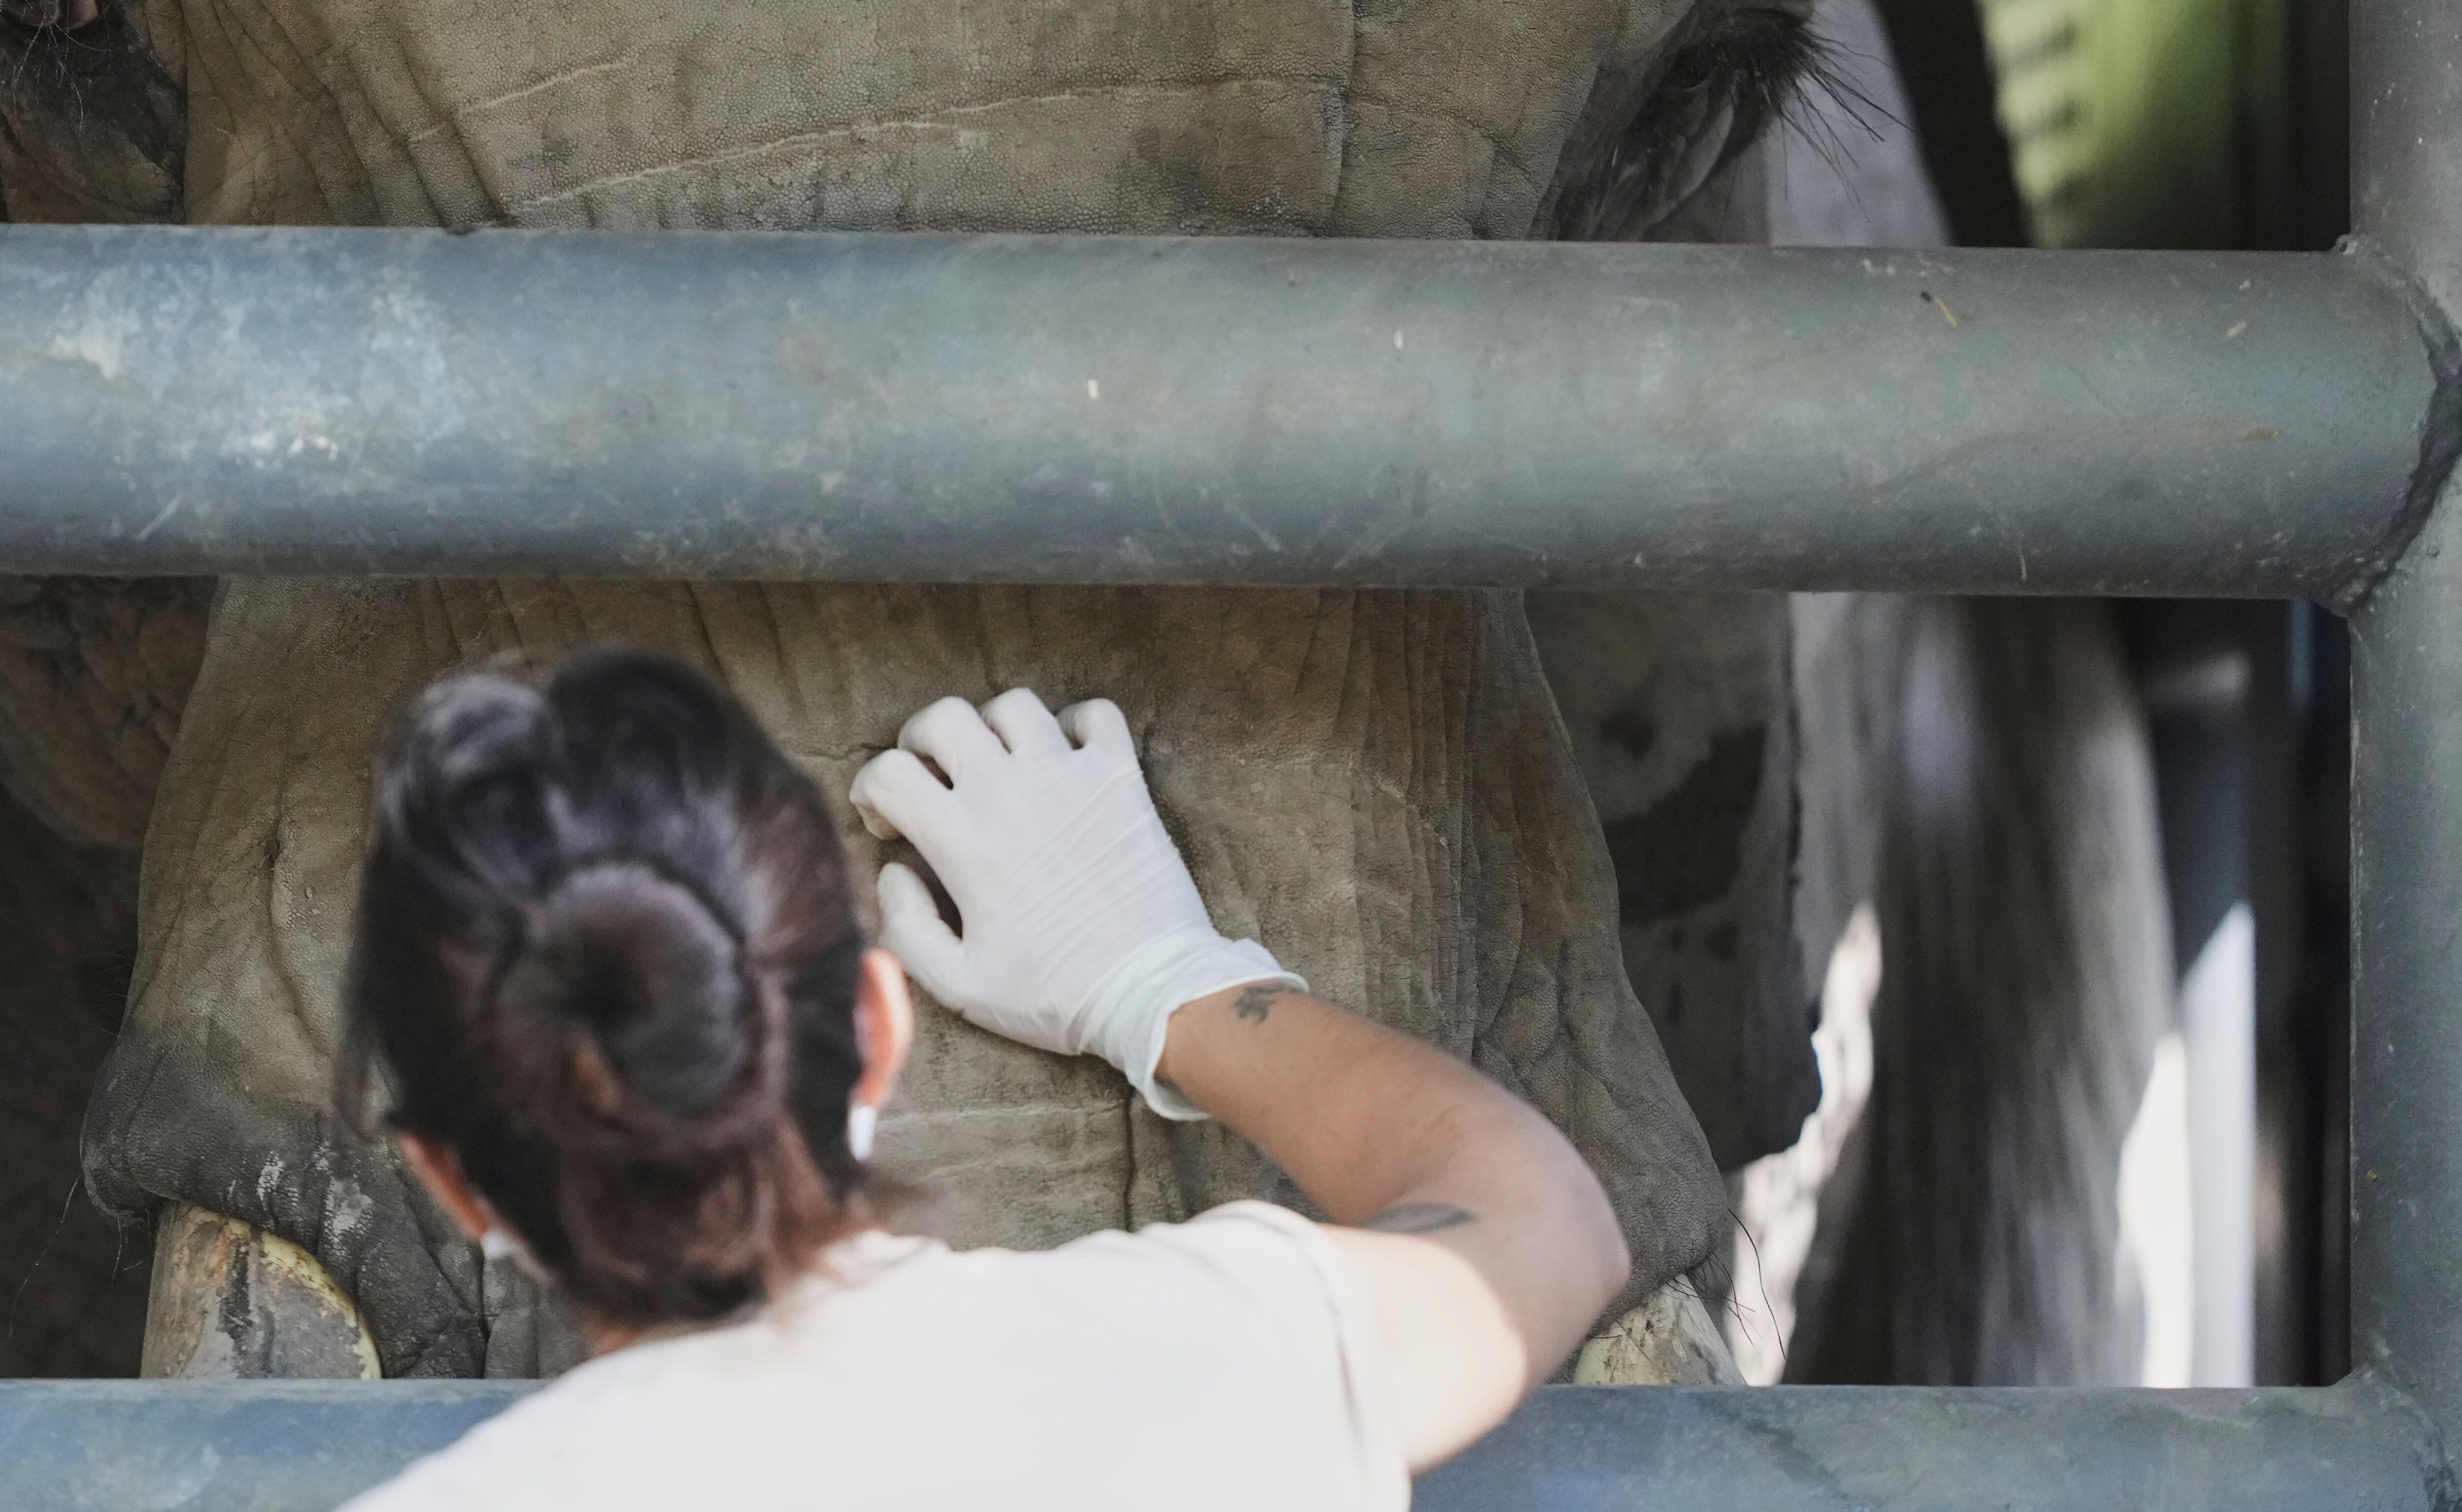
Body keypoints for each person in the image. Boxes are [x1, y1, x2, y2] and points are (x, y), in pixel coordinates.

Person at [334, 644, 1629, 1511]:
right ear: (876, 1020)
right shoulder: (1204, 1356)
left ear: (452, 1180)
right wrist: (1163, 984)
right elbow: (1539, 1218)